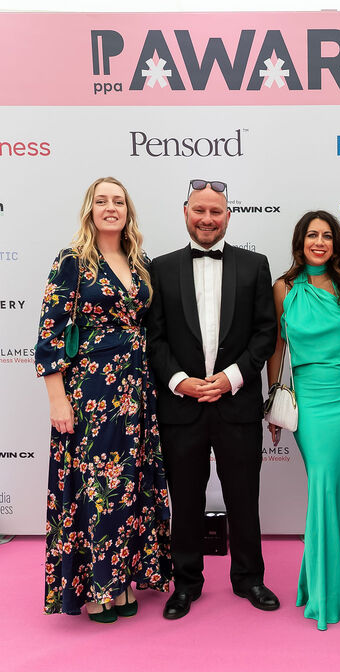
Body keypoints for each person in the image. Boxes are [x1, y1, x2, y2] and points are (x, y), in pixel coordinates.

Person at [35, 176, 171, 623]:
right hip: (92, 393)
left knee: (131, 486)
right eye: (102, 201)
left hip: (138, 390)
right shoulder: (72, 261)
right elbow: (50, 334)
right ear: (89, 210)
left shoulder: (140, 261)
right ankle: (96, 589)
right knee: (98, 489)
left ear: (128, 211)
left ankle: (124, 580)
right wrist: (58, 400)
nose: (111, 207)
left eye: (119, 201)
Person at [146, 179, 279, 620]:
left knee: (244, 497)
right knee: (185, 501)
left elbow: (265, 333)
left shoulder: (255, 265)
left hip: (236, 404)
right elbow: (154, 338)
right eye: (199, 210)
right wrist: (180, 381)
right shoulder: (160, 268)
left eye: (215, 211)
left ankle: (250, 578)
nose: (207, 219)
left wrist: (231, 378)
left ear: (228, 215)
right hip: (181, 407)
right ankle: (185, 583)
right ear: (186, 212)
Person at [266, 210, 340, 631]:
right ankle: (324, 587)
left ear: (336, 244)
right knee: (325, 486)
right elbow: (278, 346)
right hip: (311, 401)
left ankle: (324, 581)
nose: (319, 242)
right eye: (312, 235)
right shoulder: (284, 288)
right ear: (300, 242)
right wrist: (273, 399)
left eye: (327, 236)